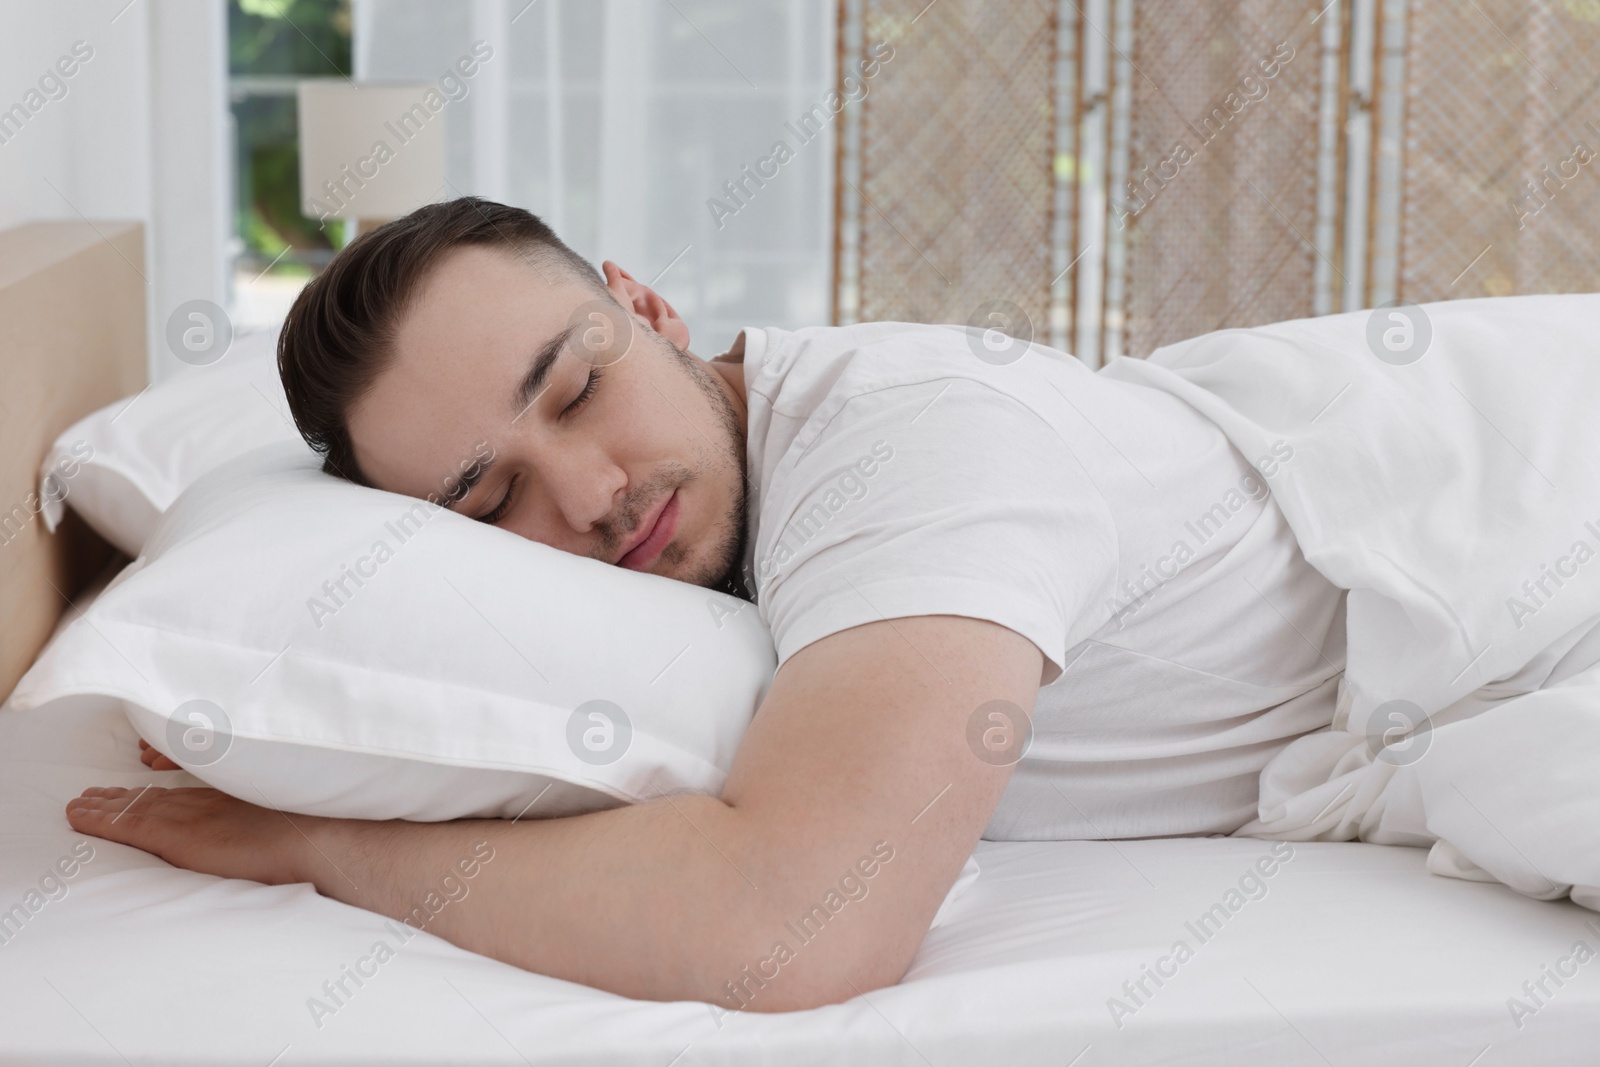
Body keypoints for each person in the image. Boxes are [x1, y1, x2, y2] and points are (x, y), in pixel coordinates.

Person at [65, 197, 1346, 1013]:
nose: (593, 494)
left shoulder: (908, 448)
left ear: (645, 304)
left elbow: (794, 925)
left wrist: (315, 846)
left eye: (575, 390)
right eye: (488, 496)